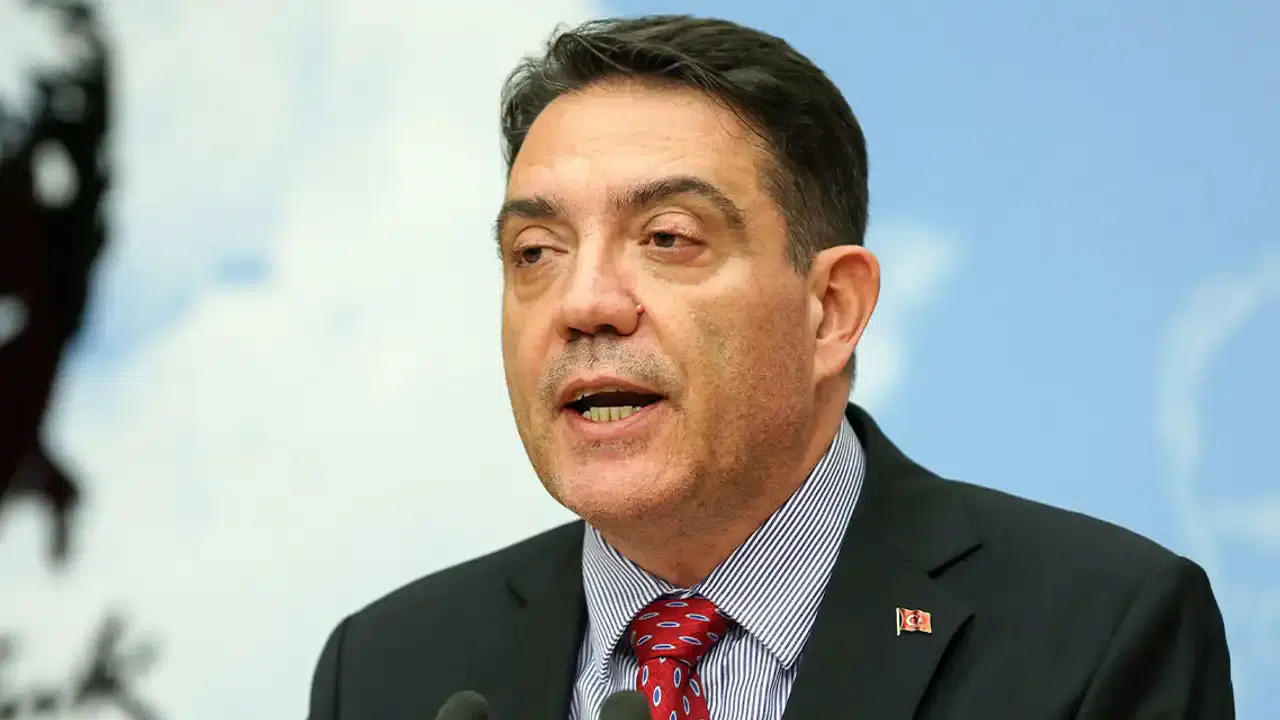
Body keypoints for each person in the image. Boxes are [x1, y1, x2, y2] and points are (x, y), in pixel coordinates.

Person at [307, 15, 1234, 720]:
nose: (584, 304)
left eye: (667, 238)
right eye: (536, 253)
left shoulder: (1100, 632)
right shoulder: (387, 670)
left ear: (832, 309)